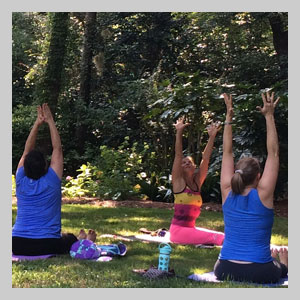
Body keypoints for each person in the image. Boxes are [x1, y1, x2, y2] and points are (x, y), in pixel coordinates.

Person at [213, 92, 288, 283]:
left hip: (224, 268)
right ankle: (285, 261)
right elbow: (274, 153)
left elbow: (227, 152)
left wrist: (229, 118)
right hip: (260, 271)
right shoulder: (264, 195)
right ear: (258, 177)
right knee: (281, 268)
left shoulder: (226, 190)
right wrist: (269, 116)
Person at [12, 103, 88, 256]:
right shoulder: (52, 180)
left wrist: (37, 123)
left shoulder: (20, 179)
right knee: (69, 239)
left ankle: (79, 240)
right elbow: (57, 149)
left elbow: (27, 150)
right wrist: (50, 121)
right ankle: (81, 241)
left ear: (25, 165)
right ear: (45, 165)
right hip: (47, 244)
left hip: (18, 244)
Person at [169, 117, 225, 245]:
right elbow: (178, 155)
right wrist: (179, 132)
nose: (187, 163)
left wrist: (212, 137)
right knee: (219, 239)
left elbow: (205, 159)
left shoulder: (197, 182)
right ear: (180, 168)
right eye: (184, 163)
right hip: (178, 231)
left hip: (189, 229)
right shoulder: (178, 182)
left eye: (190, 162)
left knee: (222, 235)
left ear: (194, 167)